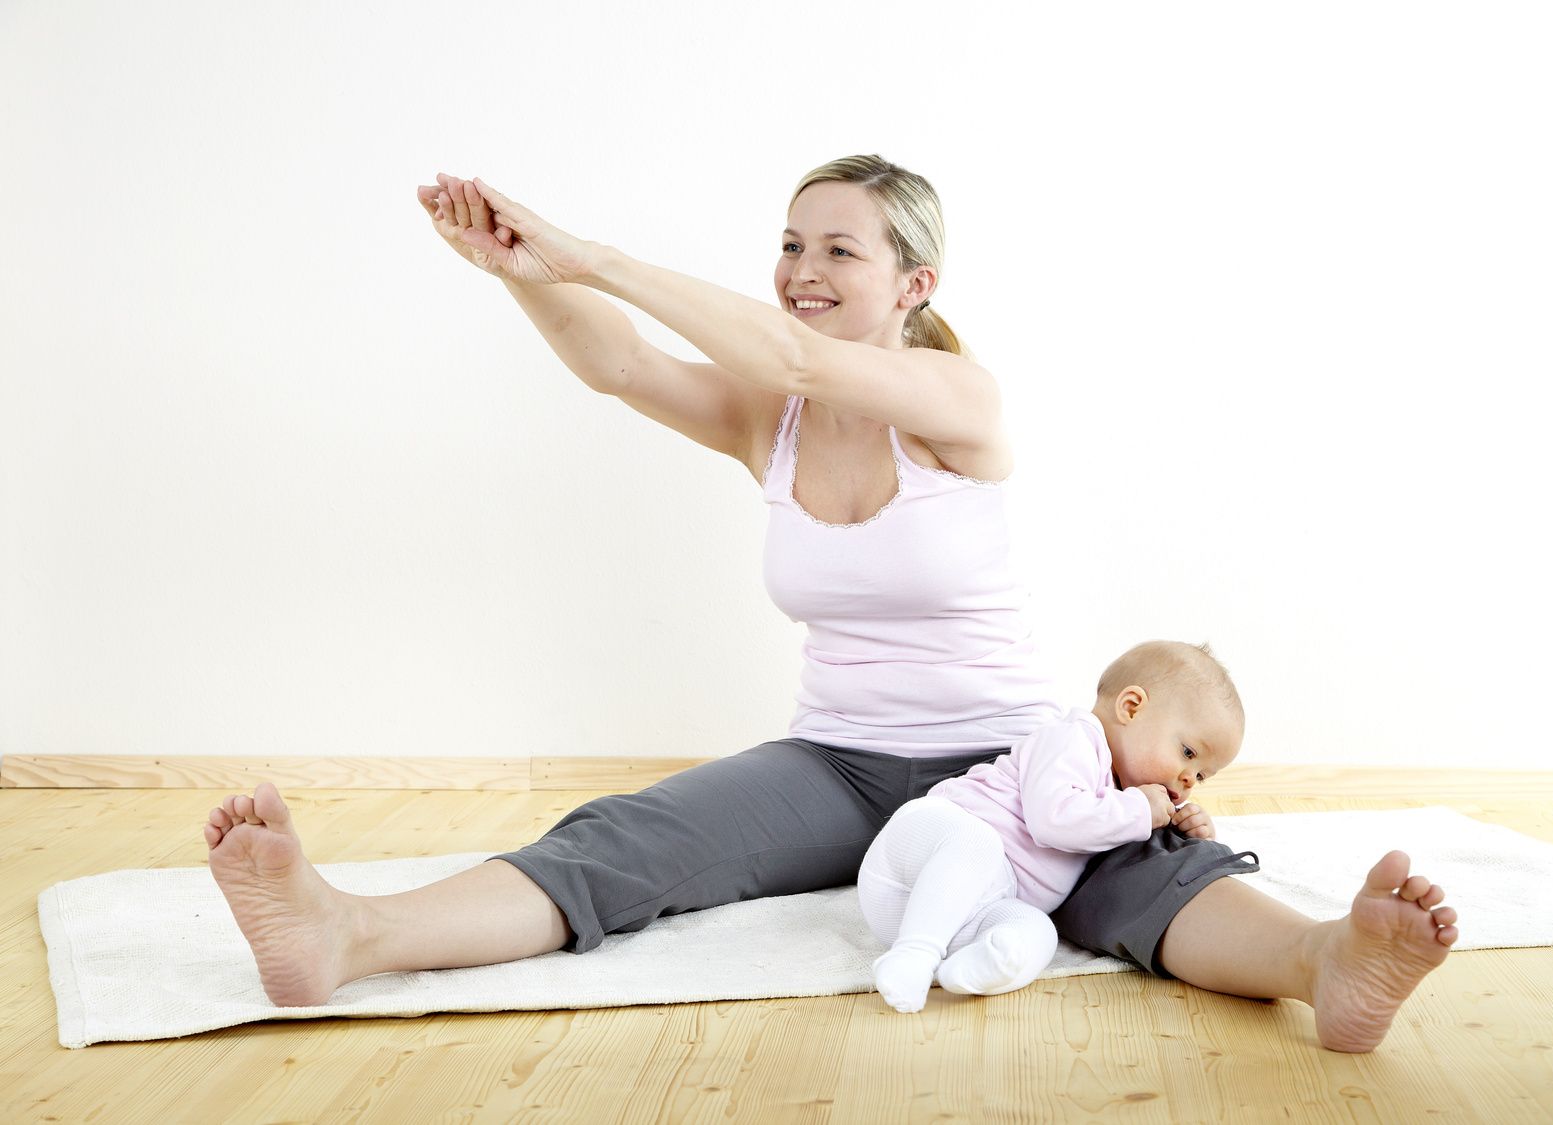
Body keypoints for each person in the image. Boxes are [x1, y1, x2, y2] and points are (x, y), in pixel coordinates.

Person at [202, 156, 1458, 1053]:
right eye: (790, 244)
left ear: (913, 286)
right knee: (631, 840)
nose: (801, 271)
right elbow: (624, 364)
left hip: (1004, 750)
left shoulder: (963, 405)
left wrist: (598, 253)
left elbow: (794, 351)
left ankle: (1325, 962)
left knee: (1121, 878)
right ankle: (345, 937)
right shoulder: (774, 420)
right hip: (834, 760)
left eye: (837, 249)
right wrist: (522, 271)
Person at [858, 640, 1247, 1013]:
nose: (1188, 780)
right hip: (921, 850)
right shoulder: (1074, 739)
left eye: (1202, 775)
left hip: (955, 911)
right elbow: (1054, 820)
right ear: (1131, 707)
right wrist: (1141, 810)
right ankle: (913, 955)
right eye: (1188, 754)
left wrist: (1187, 828)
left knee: (1037, 931)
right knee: (978, 842)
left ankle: (970, 970)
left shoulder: (1122, 793)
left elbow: (1118, 828)